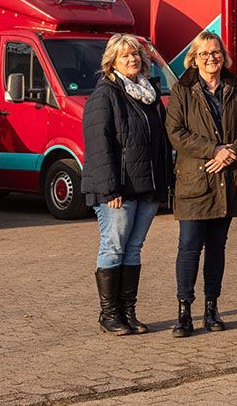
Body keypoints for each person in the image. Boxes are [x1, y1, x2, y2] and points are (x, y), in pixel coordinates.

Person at [166, 31, 237, 338]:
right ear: (194, 57)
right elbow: (176, 132)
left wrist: (230, 151)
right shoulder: (182, 89)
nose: (211, 59)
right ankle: (184, 312)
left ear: (224, 56)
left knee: (217, 248)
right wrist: (213, 150)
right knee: (189, 248)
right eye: (205, 54)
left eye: (216, 53)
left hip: (227, 182)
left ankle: (212, 308)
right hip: (196, 181)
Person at [82, 33, 172, 335]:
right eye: (125, 56)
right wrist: (110, 190)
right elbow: (98, 145)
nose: (132, 59)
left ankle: (128, 312)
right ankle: (109, 315)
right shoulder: (105, 94)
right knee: (113, 247)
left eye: (135, 55)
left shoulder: (148, 94)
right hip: (117, 191)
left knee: (134, 249)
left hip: (146, 188)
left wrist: (163, 185)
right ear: (112, 62)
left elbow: (159, 144)